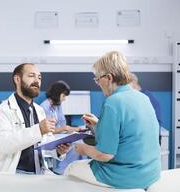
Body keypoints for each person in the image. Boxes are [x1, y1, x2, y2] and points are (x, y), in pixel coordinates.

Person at [65, 51, 161, 189]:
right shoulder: (143, 98)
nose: (97, 83)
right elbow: (127, 132)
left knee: (72, 168)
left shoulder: (112, 102)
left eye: (98, 79)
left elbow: (105, 155)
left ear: (109, 78)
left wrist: (83, 149)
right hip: (151, 173)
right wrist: (99, 125)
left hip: (128, 176)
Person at [0, 63, 70, 175]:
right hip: (13, 174)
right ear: (17, 79)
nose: (37, 80)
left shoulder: (39, 110)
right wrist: (39, 130)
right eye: (31, 76)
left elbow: (45, 144)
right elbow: (4, 145)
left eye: (39, 77)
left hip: (39, 172)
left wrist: (58, 151)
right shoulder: (2, 111)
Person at [40, 80, 86, 174]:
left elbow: (63, 124)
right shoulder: (44, 107)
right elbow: (48, 130)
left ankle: (78, 168)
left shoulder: (57, 106)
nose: (65, 99)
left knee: (81, 141)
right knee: (75, 143)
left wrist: (74, 129)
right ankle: (62, 170)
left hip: (60, 134)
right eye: (64, 96)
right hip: (49, 137)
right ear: (57, 94)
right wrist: (66, 129)